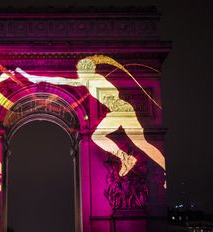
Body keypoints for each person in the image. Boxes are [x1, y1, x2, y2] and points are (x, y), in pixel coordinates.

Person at [15, 55, 165, 177]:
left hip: (121, 111)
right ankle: (156, 168)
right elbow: (66, 81)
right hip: (122, 110)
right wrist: (38, 78)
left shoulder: (92, 79)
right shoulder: (93, 80)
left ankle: (126, 157)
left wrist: (37, 78)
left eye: (79, 70)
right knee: (141, 143)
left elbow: (65, 80)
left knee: (102, 138)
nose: (78, 73)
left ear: (87, 70)